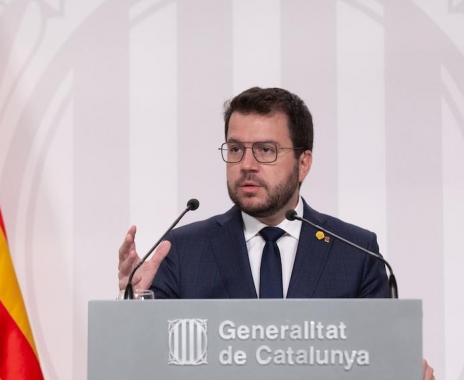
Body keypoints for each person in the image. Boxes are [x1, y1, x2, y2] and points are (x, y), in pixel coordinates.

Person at [118, 87, 434, 379]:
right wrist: (132, 306)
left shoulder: (354, 251)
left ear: (303, 163)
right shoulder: (182, 250)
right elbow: (145, 366)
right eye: (236, 149)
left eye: (266, 150)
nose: (246, 165)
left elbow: (378, 364)